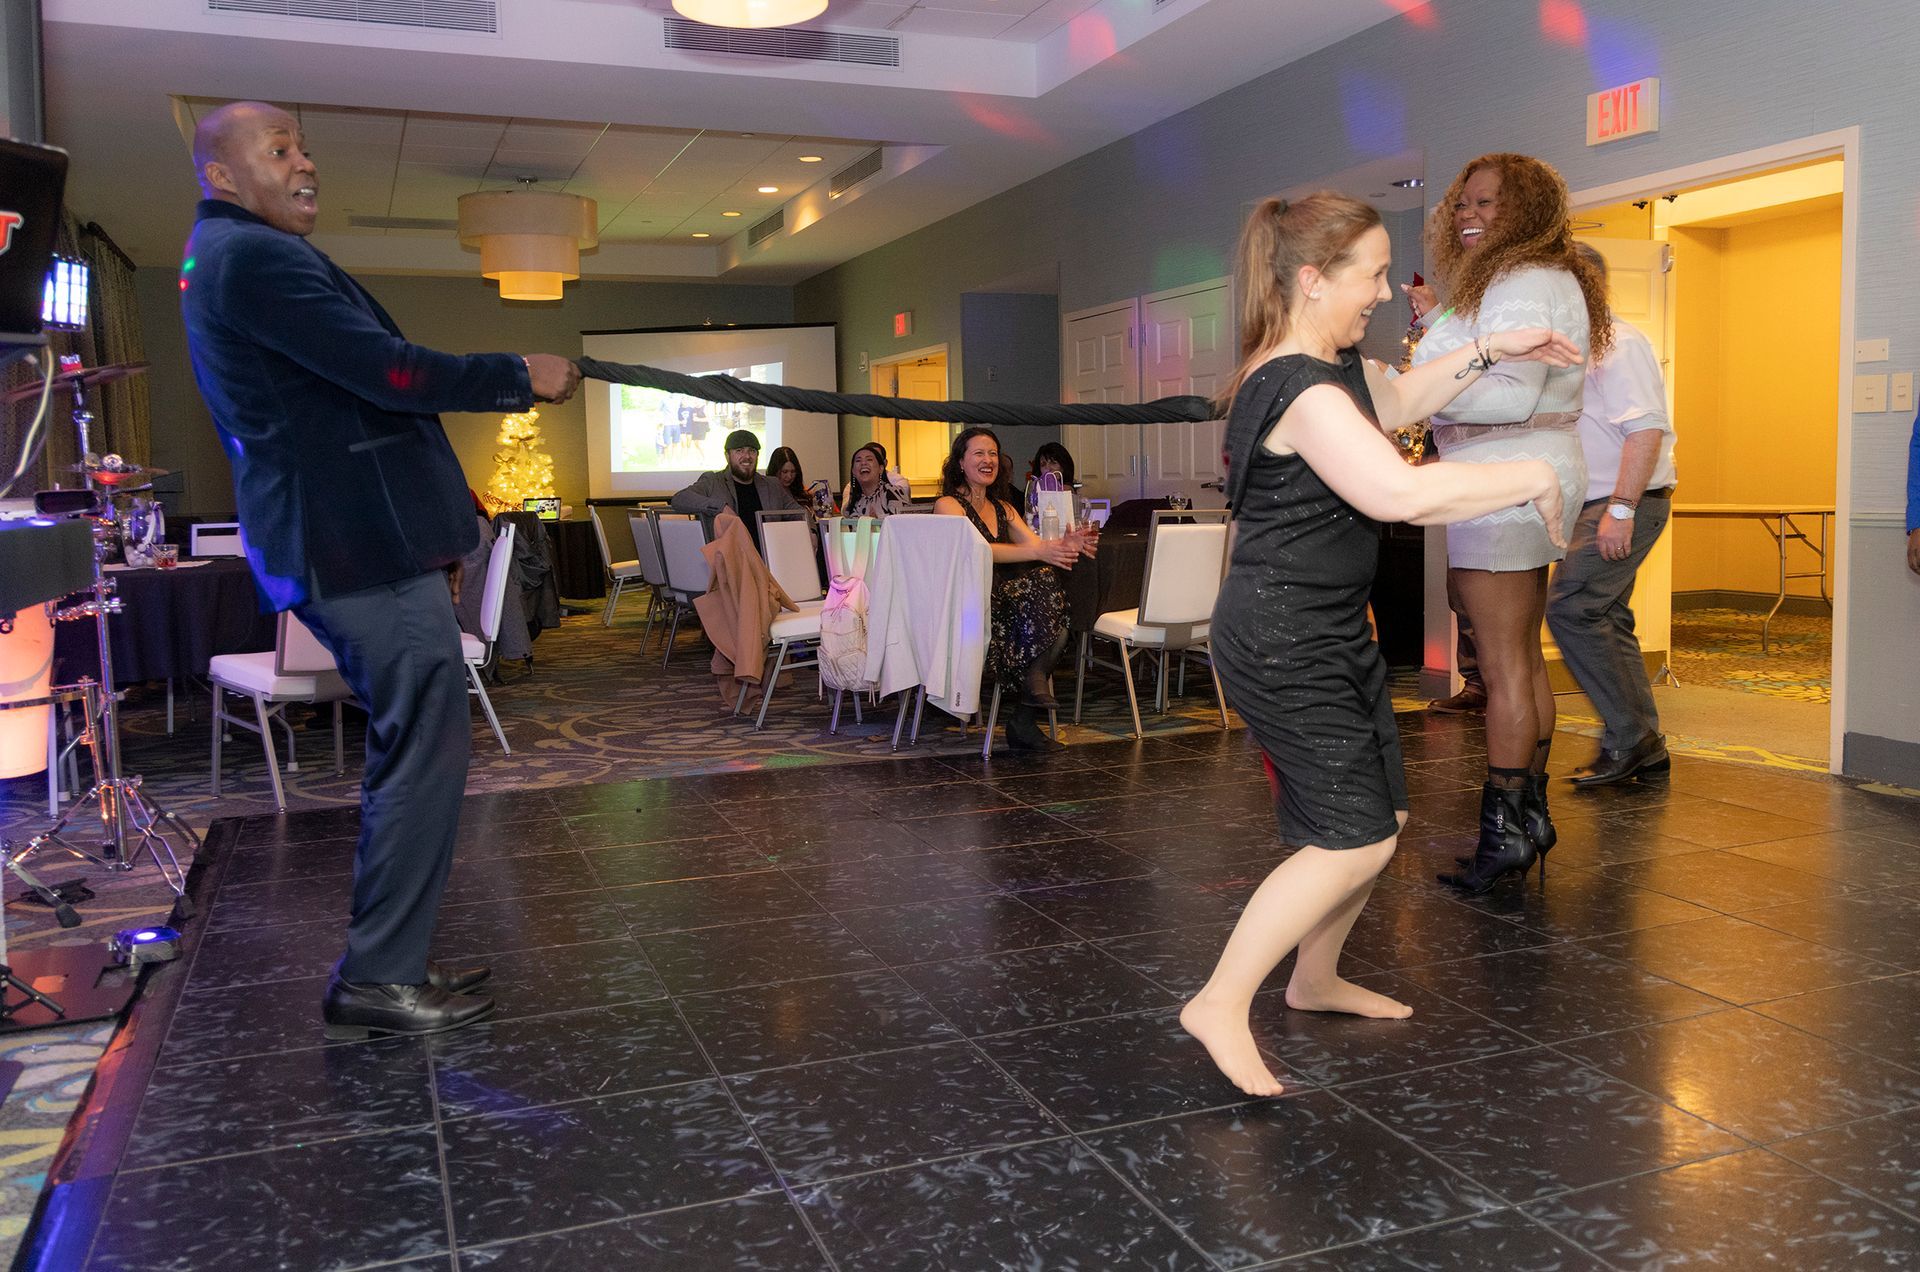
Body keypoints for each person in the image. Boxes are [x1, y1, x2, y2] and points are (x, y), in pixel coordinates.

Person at [179, 102, 581, 1040]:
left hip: (351, 544)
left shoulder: (228, 254)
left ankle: (387, 962)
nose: (306, 163)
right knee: (423, 751)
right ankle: (378, 976)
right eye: (280, 149)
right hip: (351, 547)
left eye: (304, 147)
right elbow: (386, 372)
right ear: (222, 176)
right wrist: (516, 373)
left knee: (420, 746)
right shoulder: (252, 257)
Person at [1179, 192, 1577, 1097]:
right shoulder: (1300, 386)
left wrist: (1493, 347)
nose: (1388, 291)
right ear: (1314, 279)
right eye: (1373, 273)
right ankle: (1219, 1001)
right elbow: (1399, 494)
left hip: (1327, 628)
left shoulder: (1336, 369)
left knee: (1384, 821)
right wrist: (1530, 472)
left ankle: (1315, 979)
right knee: (1351, 841)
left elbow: (1399, 397)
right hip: (1283, 639)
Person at [1406, 152, 1610, 892]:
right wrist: (1442, 327)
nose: (1468, 214)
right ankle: (1530, 817)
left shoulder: (1523, 280)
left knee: (1501, 667)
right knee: (1521, 657)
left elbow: (1509, 395)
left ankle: (1505, 834)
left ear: (1525, 210)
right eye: (1463, 202)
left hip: (1504, 477)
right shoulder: (1529, 278)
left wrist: (1415, 391)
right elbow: (1493, 366)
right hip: (1525, 470)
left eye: (1487, 203)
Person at [1547, 244, 1677, 788]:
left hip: (1624, 502)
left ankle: (1631, 738)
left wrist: (1621, 509)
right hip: (1598, 503)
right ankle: (1642, 744)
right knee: (1606, 617)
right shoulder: (1571, 350)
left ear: (1587, 287)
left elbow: (1646, 430)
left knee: (1572, 609)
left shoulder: (1620, 343)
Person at [933, 427, 1091, 750]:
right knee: (1047, 595)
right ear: (960, 462)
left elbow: (1037, 545)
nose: (988, 460)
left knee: (1058, 620)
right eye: (979, 453)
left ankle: (1025, 710)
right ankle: (1026, 710)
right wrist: (1040, 551)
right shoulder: (947, 505)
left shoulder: (1004, 507)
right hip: (968, 605)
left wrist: (1065, 545)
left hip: (1004, 603)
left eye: (993, 454)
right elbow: (975, 550)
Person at [670, 428, 800, 552]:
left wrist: (808, 530)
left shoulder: (773, 485)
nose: (747, 456)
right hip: (729, 563)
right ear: (727, 456)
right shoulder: (712, 481)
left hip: (768, 561)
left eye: (752, 451)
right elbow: (679, 499)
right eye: (739, 451)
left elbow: (799, 512)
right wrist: (721, 507)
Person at [841, 441, 912, 517]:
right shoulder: (853, 498)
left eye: (869, 459)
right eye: (858, 460)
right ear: (853, 471)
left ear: (881, 468)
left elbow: (902, 522)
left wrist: (876, 522)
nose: (863, 463)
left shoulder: (893, 492)